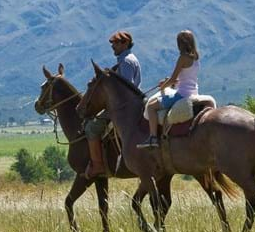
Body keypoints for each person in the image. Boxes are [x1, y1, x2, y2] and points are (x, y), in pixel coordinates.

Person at [83, 31, 141, 177]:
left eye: (116, 43)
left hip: (124, 108)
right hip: (128, 105)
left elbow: (124, 88)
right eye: (112, 43)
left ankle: (97, 165)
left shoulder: (126, 61)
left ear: (125, 43)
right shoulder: (126, 59)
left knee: (91, 127)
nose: (113, 46)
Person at [138, 30, 199, 149]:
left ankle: (153, 137)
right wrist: (170, 81)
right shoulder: (196, 57)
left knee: (151, 106)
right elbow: (184, 77)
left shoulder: (182, 58)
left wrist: (163, 86)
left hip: (181, 95)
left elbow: (173, 79)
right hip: (193, 92)